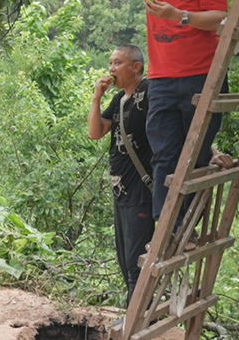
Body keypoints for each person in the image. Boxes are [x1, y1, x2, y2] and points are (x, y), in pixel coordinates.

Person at [58, 0, 229, 227]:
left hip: (201, 77)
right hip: (162, 80)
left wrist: (178, 16)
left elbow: (221, 19)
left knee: (195, 156)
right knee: (163, 154)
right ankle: (165, 226)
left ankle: (186, 226)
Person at [88, 45, 153, 305]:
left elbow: (178, 126)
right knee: (126, 263)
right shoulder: (119, 100)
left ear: (136, 67)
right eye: (110, 64)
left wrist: (213, 152)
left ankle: (135, 323)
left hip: (140, 192)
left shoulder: (149, 92)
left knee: (137, 264)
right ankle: (139, 319)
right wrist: (96, 98)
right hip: (120, 193)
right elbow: (95, 132)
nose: (111, 69)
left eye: (117, 63)